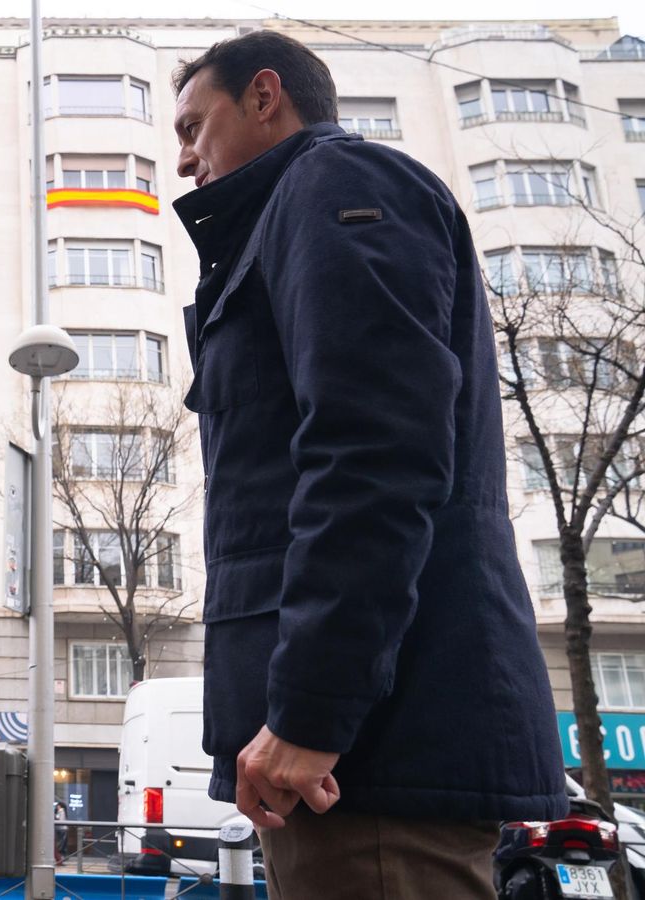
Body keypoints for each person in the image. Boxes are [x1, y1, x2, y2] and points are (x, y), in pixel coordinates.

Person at [167, 31, 567, 898]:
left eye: (194, 126)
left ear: (265, 95)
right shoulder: (287, 216)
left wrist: (311, 710)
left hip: (366, 750)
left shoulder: (335, 183)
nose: (185, 157)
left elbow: (374, 454)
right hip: (352, 753)